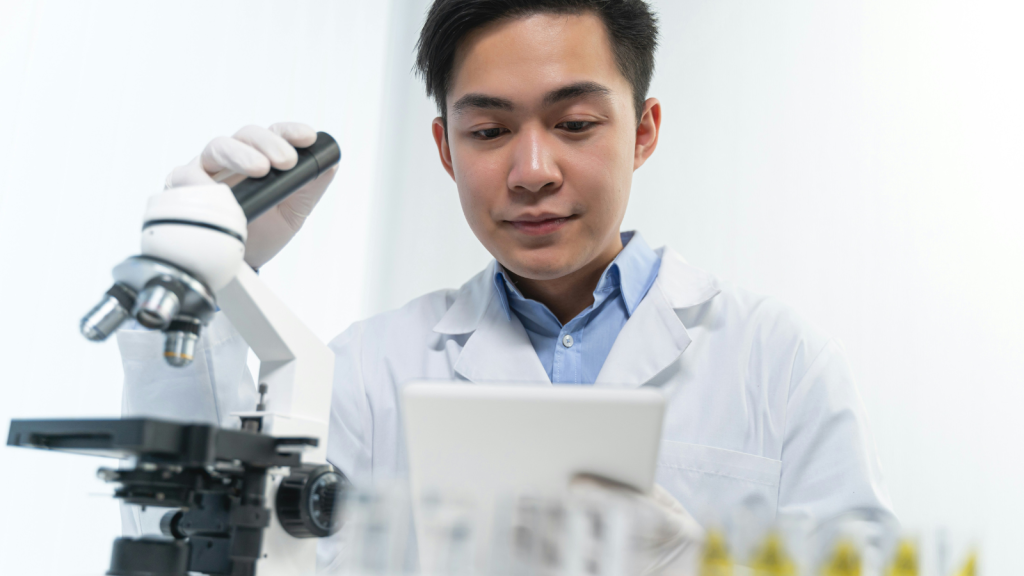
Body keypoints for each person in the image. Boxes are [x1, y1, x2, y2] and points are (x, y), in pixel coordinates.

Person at [119, 0, 896, 570]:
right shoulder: (365, 374)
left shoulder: (780, 364)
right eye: (489, 132)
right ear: (447, 149)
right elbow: (203, 537)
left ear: (645, 130)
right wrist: (207, 278)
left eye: (576, 124)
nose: (532, 172)